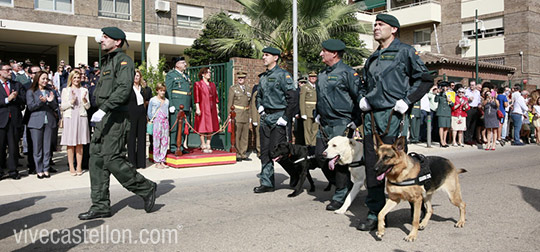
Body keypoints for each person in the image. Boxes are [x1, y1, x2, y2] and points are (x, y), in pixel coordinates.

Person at [358, 14, 431, 231]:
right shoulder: (373, 57)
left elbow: (424, 79)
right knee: (373, 166)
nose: (376, 28)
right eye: (375, 25)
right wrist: (364, 98)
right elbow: (364, 83)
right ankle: (375, 213)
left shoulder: (406, 52)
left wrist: (407, 100)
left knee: (398, 166)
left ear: (394, 29)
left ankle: (416, 207)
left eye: (381, 25)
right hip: (371, 117)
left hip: (393, 115)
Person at [79, 27, 157, 220]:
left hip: (116, 117)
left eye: (106, 37)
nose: (101, 40)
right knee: (96, 161)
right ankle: (100, 205)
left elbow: (123, 89)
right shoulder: (108, 62)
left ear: (118, 42)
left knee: (112, 159)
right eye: (102, 37)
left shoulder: (124, 61)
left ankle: (146, 187)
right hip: (103, 118)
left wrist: (105, 109)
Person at [314, 39, 360, 211]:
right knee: (320, 156)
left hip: (342, 122)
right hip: (325, 122)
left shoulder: (348, 73)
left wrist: (356, 120)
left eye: (323, 51)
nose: (321, 54)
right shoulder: (322, 74)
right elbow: (320, 98)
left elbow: (358, 97)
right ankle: (344, 185)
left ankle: (340, 194)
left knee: (339, 159)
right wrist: (316, 113)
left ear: (334, 53)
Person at [253, 47, 295, 193]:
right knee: (264, 152)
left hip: (279, 117)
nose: (264, 57)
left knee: (277, 151)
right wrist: (259, 107)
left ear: (275, 58)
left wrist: (285, 117)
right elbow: (258, 96)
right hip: (266, 117)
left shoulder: (283, 75)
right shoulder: (263, 77)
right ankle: (267, 182)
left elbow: (292, 97)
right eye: (263, 55)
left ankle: (295, 172)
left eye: (267, 55)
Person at [26, 71, 58, 179]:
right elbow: (31, 107)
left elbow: (55, 106)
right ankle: (39, 169)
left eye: (46, 79)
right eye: (43, 78)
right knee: (37, 148)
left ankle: (46, 168)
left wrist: (50, 101)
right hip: (35, 122)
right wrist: (42, 102)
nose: (45, 81)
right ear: (37, 79)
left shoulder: (50, 91)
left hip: (49, 121)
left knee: (47, 148)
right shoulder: (31, 91)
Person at [60, 71, 91, 175]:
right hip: (70, 117)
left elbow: (88, 107)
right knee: (70, 144)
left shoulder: (84, 90)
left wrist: (84, 100)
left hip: (81, 118)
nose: (77, 79)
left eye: (78, 77)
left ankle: (79, 166)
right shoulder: (66, 90)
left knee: (80, 144)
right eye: (75, 78)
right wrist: (71, 102)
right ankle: (71, 167)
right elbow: (63, 107)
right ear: (71, 78)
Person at [0, 62, 26, 180]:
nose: (10, 72)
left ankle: (13, 170)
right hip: (1, 120)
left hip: (14, 120)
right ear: (0, 72)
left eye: (11, 70)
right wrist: (7, 99)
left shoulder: (17, 84)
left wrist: (16, 97)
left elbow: (24, 99)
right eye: (7, 70)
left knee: (13, 146)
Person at [165, 56, 192, 154]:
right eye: (182, 63)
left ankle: (180, 145)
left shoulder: (186, 76)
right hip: (176, 104)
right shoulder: (171, 75)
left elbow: (188, 92)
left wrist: (190, 105)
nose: (185, 64)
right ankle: (173, 146)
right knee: (175, 126)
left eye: (185, 63)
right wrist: (170, 104)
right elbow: (168, 90)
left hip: (185, 104)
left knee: (185, 126)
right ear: (177, 65)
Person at [128, 69, 151, 169]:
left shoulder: (143, 89)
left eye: (138, 76)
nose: (136, 77)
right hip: (131, 114)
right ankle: (132, 162)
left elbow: (146, 101)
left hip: (141, 114)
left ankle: (141, 162)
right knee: (131, 138)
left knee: (142, 137)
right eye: (134, 76)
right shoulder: (129, 88)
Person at [194, 67, 220, 153]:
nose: (209, 74)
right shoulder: (198, 84)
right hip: (203, 106)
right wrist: (197, 107)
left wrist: (217, 107)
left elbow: (215, 97)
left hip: (211, 107)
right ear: (202, 74)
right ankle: (203, 143)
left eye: (210, 72)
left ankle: (209, 143)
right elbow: (196, 97)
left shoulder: (212, 84)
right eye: (207, 72)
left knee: (211, 125)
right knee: (202, 125)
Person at [227, 71, 252, 161]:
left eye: (242, 78)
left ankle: (243, 153)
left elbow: (251, 103)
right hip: (237, 113)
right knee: (237, 134)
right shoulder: (233, 88)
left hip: (246, 113)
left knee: (245, 135)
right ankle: (237, 153)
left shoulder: (249, 89)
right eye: (239, 78)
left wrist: (251, 116)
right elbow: (230, 103)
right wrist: (230, 115)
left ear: (245, 79)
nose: (240, 79)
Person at [147, 84, 170, 169]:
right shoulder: (153, 100)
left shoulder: (167, 101)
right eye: (161, 90)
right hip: (157, 121)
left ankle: (162, 159)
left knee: (165, 141)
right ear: (157, 90)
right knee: (156, 141)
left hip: (165, 121)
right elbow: (149, 112)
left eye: (163, 90)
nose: (162, 92)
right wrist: (152, 119)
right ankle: (157, 160)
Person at [300, 71, 318, 146]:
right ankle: (308, 144)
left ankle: (313, 144)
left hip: (316, 111)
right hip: (307, 111)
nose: (313, 78)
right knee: (308, 130)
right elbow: (302, 100)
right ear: (309, 78)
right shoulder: (305, 87)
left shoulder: (317, 87)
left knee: (315, 130)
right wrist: (303, 113)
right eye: (311, 77)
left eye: (314, 77)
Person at [435, 81, 452, 147]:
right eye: (443, 87)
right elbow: (436, 100)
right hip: (441, 112)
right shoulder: (440, 94)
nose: (445, 88)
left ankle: (445, 140)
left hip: (448, 112)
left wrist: (449, 101)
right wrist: (437, 93)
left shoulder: (451, 94)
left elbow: (452, 104)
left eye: (446, 87)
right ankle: (441, 141)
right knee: (441, 127)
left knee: (446, 127)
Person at [464, 80, 481, 145]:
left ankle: (471, 138)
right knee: (468, 124)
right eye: (471, 85)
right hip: (469, 108)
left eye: (473, 85)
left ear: (475, 85)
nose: (471, 86)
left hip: (475, 109)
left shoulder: (477, 92)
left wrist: (479, 104)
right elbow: (463, 99)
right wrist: (468, 99)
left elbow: (479, 100)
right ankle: (467, 139)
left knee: (473, 125)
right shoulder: (467, 91)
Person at [250, 84, 261, 156]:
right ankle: (260, 151)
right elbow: (253, 105)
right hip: (259, 115)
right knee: (259, 134)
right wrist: (254, 118)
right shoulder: (257, 89)